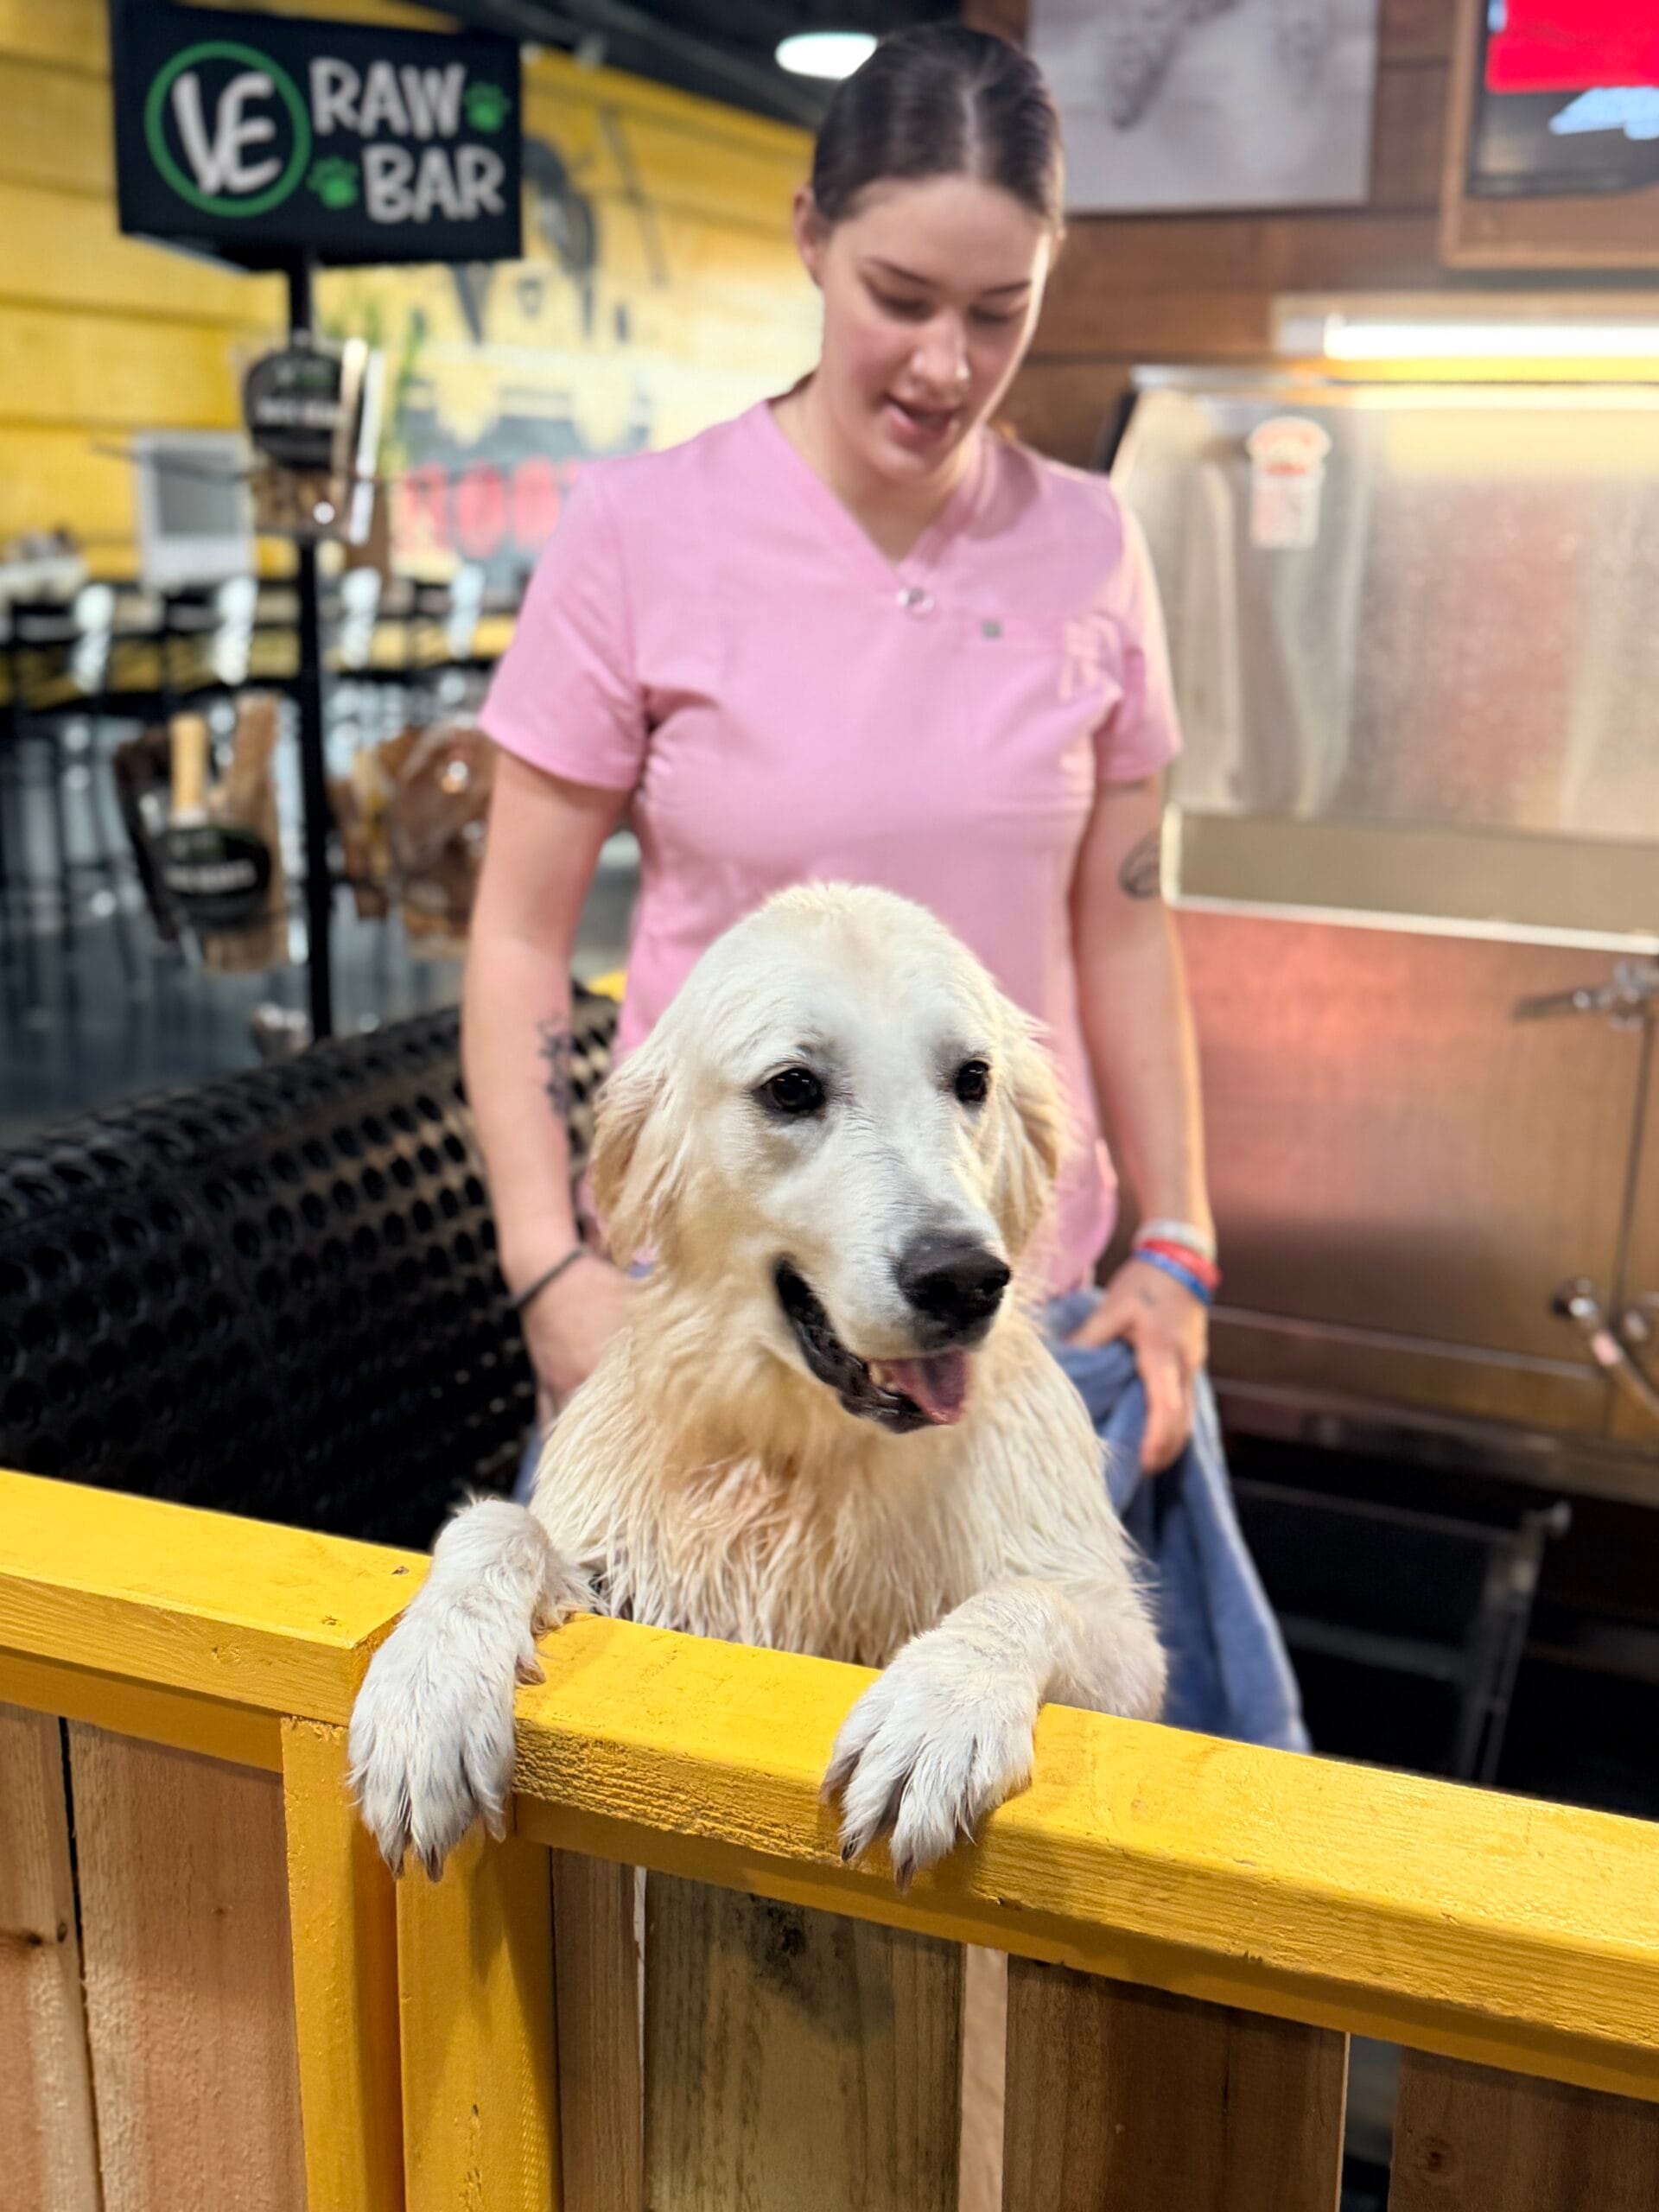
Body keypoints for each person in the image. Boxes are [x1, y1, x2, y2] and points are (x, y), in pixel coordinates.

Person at [469, 23, 1306, 1750]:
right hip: (719, 1318)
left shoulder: (1089, 543)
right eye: (900, 292)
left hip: (1014, 1302)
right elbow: (516, 934)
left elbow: (1125, 921)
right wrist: (551, 1266)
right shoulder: (638, 533)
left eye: (999, 311)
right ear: (809, 235)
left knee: (1055, 1847)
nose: (945, 360)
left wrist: (1179, 1236)